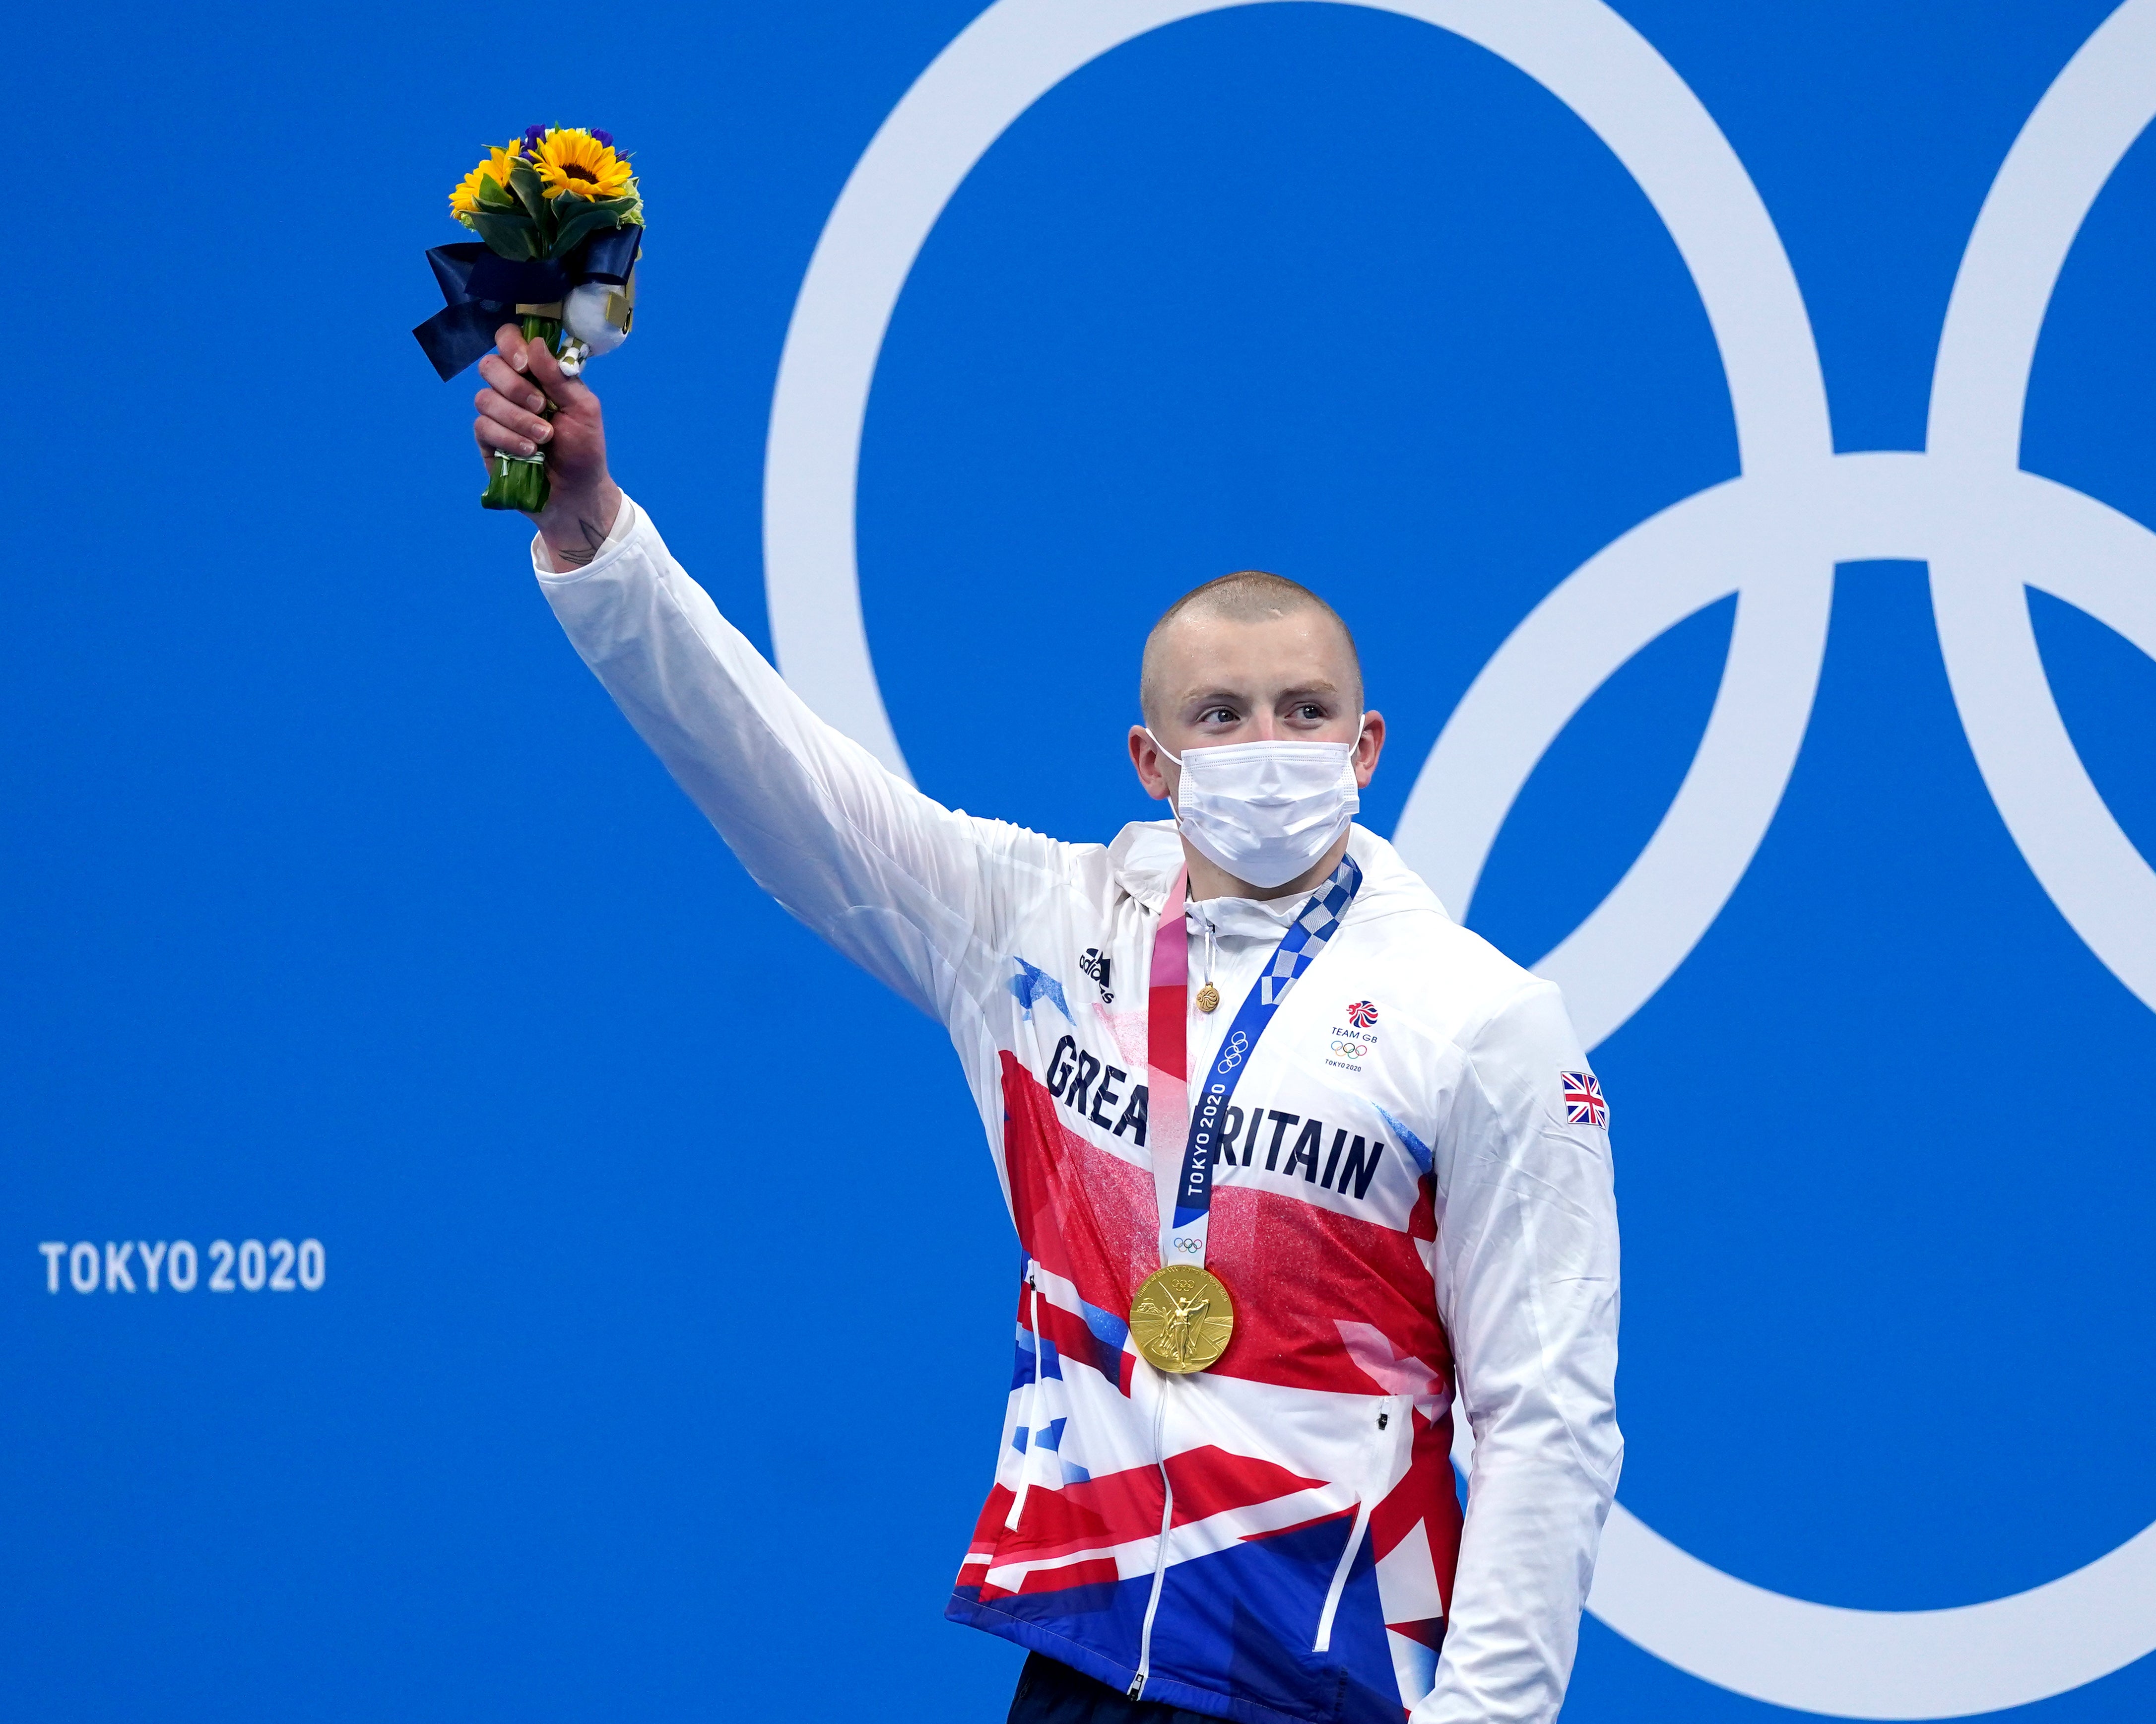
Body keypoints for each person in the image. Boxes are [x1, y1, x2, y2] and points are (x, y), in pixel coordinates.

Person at [470, 328, 1622, 1723]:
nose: (1269, 745)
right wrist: (593, 529)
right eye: (1223, 713)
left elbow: (1545, 1413)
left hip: (1342, 1680)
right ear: (1153, 758)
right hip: (1082, 1663)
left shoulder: (1485, 1019)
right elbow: (768, 767)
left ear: (1368, 746)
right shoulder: (1031, 923)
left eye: (1305, 712)